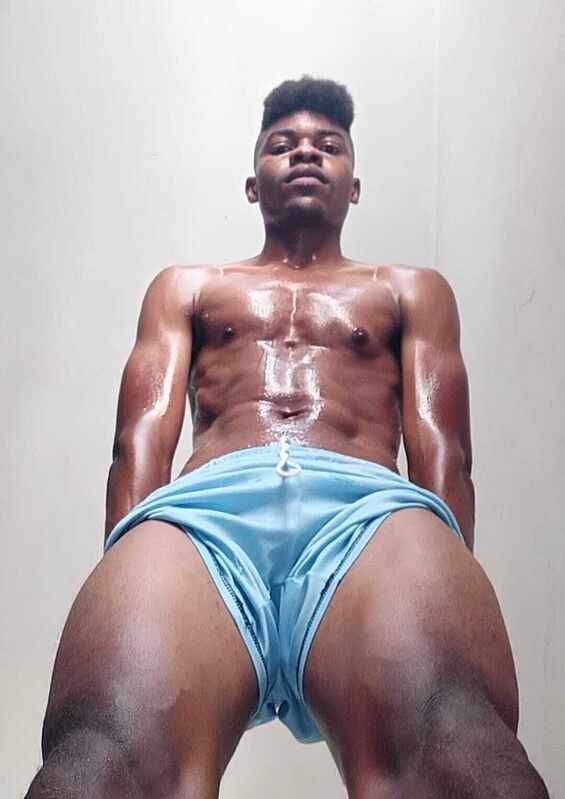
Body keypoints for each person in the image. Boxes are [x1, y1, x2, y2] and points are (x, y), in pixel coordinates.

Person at [26, 76, 548, 799]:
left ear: (353, 185)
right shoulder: (187, 285)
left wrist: (446, 581)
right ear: (252, 184)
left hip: (367, 512)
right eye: (283, 144)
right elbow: (138, 439)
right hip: (203, 517)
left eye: (327, 144)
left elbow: (445, 453)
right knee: (104, 755)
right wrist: (127, 569)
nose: (305, 152)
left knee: (453, 742)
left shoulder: (408, 288)